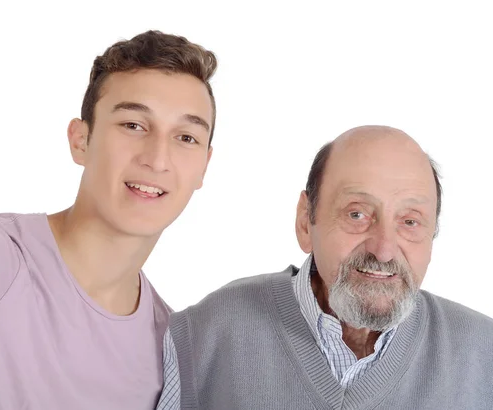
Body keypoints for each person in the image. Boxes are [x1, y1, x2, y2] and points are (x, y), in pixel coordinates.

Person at [0, 30, 217, 410]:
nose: (157, 159)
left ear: (204, 167)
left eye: (186, 137)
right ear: (81, 141)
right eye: (133, 125)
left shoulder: (171, 351)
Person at [157, 125, 493, 409]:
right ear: (306, 222)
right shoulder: (201, 335)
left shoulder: (484, 352)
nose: (385, 250)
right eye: (357, 214)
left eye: (410, 221)